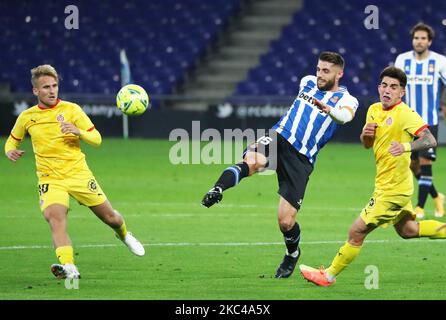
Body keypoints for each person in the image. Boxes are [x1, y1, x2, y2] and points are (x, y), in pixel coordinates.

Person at [201, 52, 359, 278]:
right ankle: (217, 188)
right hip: (279, 137)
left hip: (302, 157)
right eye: (318, 69)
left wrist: (329, 110)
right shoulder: (307, 82)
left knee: (286, 221)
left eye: (326, 71)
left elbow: (345, 117)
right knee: (253, 160)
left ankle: (292, 254)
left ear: (339, 73)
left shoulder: (348, 100)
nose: (319, 75)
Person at [299, 66, 446, 287]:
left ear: (401, 92)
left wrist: (406, 146)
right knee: (408, 230)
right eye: (384, 85)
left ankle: (328, 276)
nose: (387, 90)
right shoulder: (374, 109)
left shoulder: (405, 113)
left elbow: (430, 140)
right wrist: (365, 135)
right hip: (388, 184)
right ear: (378, 87)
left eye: (394, 87)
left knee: (356, 231)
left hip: (393, 190)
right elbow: (368, 145)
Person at [4, 65, 145, 280]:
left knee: (111, 218)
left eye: (55, 86)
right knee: (55, 218)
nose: (52, 91)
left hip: (79, 175)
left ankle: (125, 235)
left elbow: (96, 139)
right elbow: (11, 142)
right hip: (50, 178)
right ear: (35, 91)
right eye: (46, 87)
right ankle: (68, 267)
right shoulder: (27, 117)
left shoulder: (72, 110)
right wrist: (10, 151)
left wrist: (78, 131)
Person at [394, 22, 446, 219]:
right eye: (416, 38)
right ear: (412, 40)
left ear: (430, 41)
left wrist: (444, 103)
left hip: (429, 121)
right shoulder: (402, 60)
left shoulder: (440, 61)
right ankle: (436, 196)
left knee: (425, 163)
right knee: (412, 166)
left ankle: (420, 207)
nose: (419, 41)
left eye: (423, 38)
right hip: (407, 123)